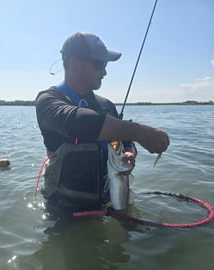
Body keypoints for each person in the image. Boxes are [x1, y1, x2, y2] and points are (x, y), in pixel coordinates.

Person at [36, 32, 169, 216]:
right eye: (99, 64)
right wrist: (140, 132)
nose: (105, 72)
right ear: (75, 64)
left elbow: (124, 141)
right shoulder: (48, 101)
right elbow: (78, 122)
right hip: (64, 213)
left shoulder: (106, 105)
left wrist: (130, 152)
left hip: (109, 201)